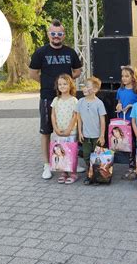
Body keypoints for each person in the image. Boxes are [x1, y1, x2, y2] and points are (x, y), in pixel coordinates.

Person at [29, 19, 82, 180]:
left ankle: (71, 161)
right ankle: (47, 165)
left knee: (70, 130)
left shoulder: (70, 52)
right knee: (47, 130)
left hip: (67, 98)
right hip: (47, 96)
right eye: (53, 33)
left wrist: (65, 85)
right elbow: (33, 74)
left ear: (63, 35)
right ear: (48, 34)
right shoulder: (40, 52)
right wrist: (50, 84)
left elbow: (78, 71)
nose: (56, 36)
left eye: (59, 34)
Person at [76, 76, 107, 185]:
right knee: (86, 155)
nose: (84, 88)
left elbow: (102, 120)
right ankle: (90, 173)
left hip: (97, 136)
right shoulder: (80, 102)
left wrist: (102, 135)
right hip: (85, 135)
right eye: (84, 86)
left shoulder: (99, 103)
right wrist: (79, 132)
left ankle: (97, 176)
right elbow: (78, 118)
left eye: (87, 86)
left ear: (94, 89)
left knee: (97, 156)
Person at [51, 74, 78, 184]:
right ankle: (63, 172)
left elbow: (75, 116)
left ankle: (73, 173)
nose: (62, 86)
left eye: (65, 84)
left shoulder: (74, 100)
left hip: (70, 132)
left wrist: (69, 129)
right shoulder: (56, 100)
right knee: (61, 151)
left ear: (70, 85)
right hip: (59, 131)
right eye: (60, 84)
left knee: (71, 152)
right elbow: (53, 115)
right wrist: (55, 128)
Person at [116, 65, 137, 180]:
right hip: (123, 122)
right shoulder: (120, 90)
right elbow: (119, 102)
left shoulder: (136, 90)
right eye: (122, 76)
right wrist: (119, 105)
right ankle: (131, 167)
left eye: (127, 76)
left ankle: (135, 167)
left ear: (133, 77)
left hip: (133, 122)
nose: (124, 78)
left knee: (134, 144)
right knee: (127, 145)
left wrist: (131, 106)